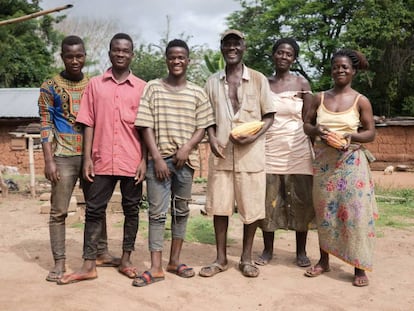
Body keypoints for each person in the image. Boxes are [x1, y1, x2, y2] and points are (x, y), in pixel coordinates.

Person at [58, 33, 147, 285]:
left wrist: (144, 161)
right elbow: (88, 123)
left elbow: (147, 128)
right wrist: (86, 158)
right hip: (101, 159)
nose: (120, 54)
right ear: (109, 53)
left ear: (132, 54)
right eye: (116, 50)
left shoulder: (142, 87)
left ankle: (127, 259)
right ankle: (89, 264)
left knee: (131, 210)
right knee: (94, 210)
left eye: (125, 50)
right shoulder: (95, 85)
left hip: (132, 161)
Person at [133, 39, 215, 287]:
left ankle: (174, 261)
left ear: (188, 61)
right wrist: (156, 157)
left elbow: (203, 126)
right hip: (159, 161)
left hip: (185, 163)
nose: (177, 61)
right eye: (172, 57)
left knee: (180, 213)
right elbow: (145, 124)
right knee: (157, 214)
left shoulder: (197, 92)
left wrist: (188, 148)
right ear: (166, 60)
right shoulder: (153, 88)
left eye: (181, 57)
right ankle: (156, 267)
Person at [38, 35, 119, 283]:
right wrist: (49, 160)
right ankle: (60, 261)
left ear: (85, 56)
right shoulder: (49, 86)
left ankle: (101, 252)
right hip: (62, 156)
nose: (75, 60)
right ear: (62, 57)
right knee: (59, 211)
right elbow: (45, 124)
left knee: (96, 207)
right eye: (69, 56)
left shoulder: (94, 84)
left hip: (92, 156)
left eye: (79, 55)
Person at [199, 30, 275, 278]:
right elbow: (206, 116)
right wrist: (211, 137)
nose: (232, 48)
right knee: (220, 207)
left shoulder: (258, 79)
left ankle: (246, 258)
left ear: (244, 47)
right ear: (221, 48)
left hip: (250, 156)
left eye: (236, 44)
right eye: (227, 44)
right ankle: (220, 259)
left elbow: (269, 116)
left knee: (250, 208)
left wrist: (253, 136)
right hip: (221, 153)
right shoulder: (212, 82)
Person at [303, 49, 378, 287]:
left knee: (355, 214)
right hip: (324, 165)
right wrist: (317, 131)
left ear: (353, 71)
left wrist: (350, 136)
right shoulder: (319, 97)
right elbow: (307, 124)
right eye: (336, 66)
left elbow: (370, 133)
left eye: (345, 67)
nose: (340, 70)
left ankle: (359, 266)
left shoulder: (360, 100)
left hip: (352, 164)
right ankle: (324, 260)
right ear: (331, 70)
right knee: (325, 214)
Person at [255, 38, 315, 268]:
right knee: (269, 201)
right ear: (273, 54)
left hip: (298, 151)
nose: (283, 57)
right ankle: (268, 250)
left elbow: (309, 120)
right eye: (280, 52)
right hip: (269, 150)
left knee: (301, 201)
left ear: (294, 58)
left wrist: (316, 149)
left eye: (288, 54)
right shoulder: (263, 83)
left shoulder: (302, 83)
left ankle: (300, 252)